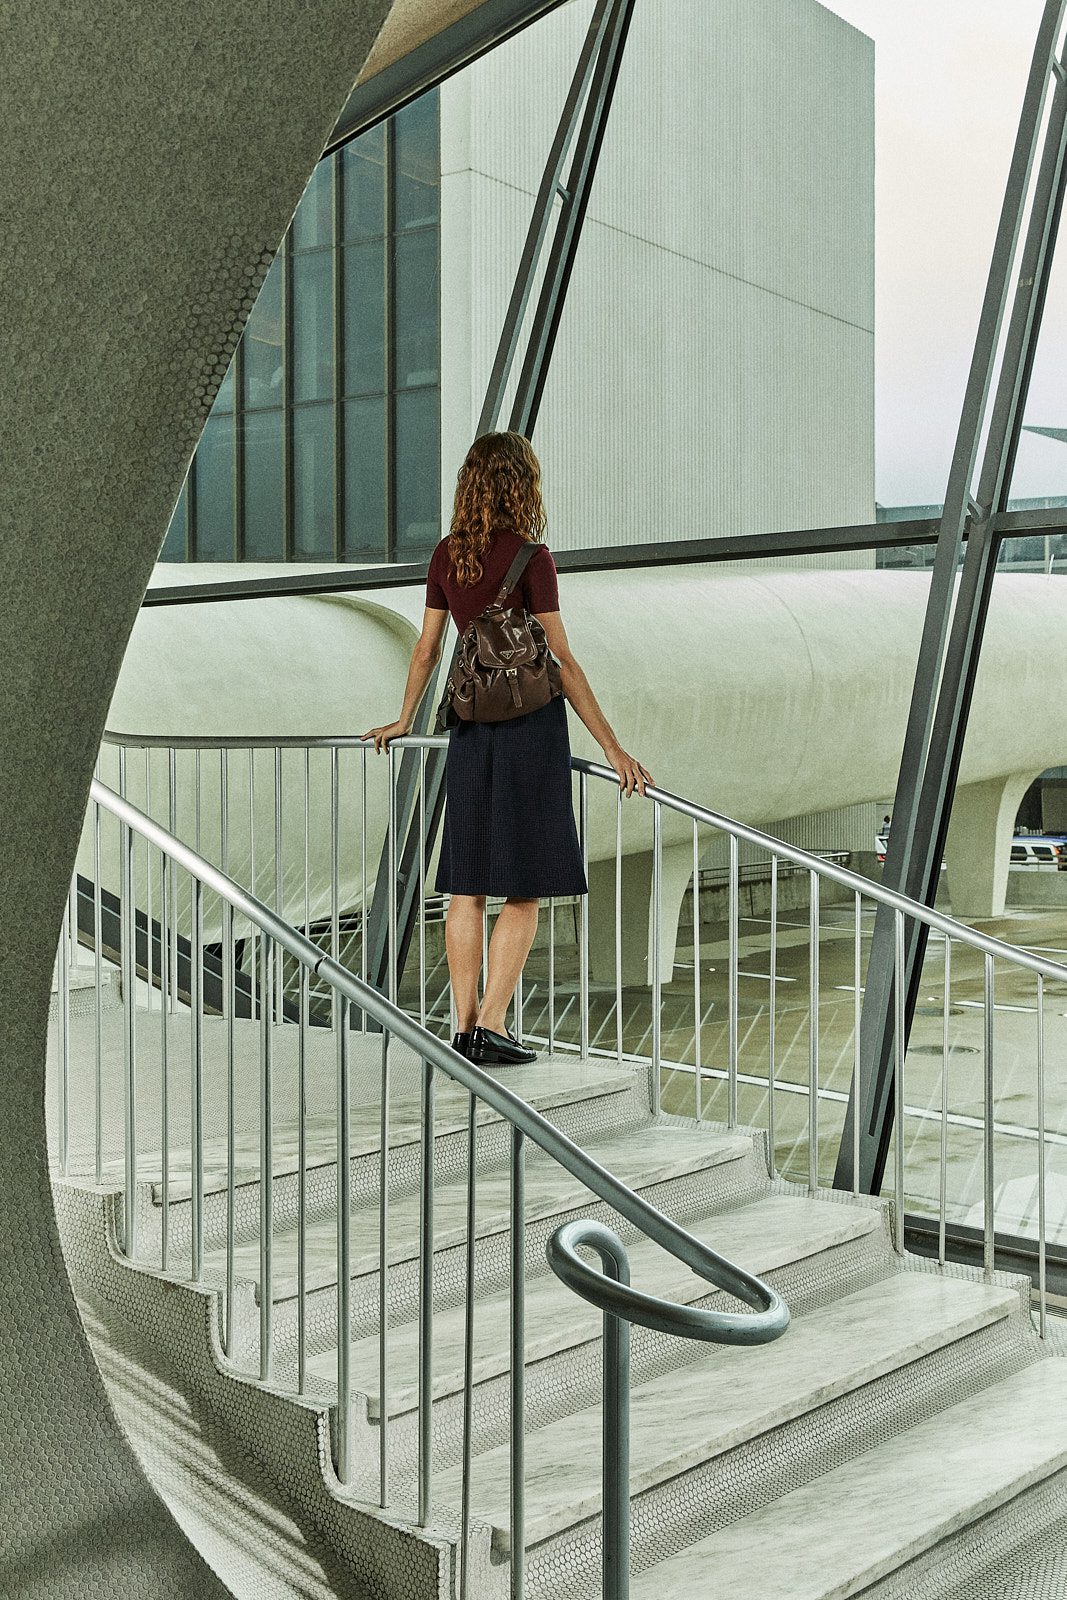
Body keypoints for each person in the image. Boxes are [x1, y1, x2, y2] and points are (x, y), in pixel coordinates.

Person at [362, 431, 652, 1066]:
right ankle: (493, 1024)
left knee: (465, 885)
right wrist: (613, 749)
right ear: (521, 486)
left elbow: (427, 648)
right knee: (524, 888)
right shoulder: (531, 558)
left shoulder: (447, 557)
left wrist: (404, 719)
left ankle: (462, 1027)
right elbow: (562, 662)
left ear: (470, 484)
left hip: (469, 729)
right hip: (530, 734)